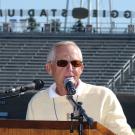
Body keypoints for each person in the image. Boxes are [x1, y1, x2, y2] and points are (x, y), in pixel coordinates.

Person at [26, 41, 134, 135]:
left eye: (75, 63)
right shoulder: (37, 101)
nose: (70, 68)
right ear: (49, 68)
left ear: (81, 68)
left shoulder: (103, 96)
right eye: (62, 63)